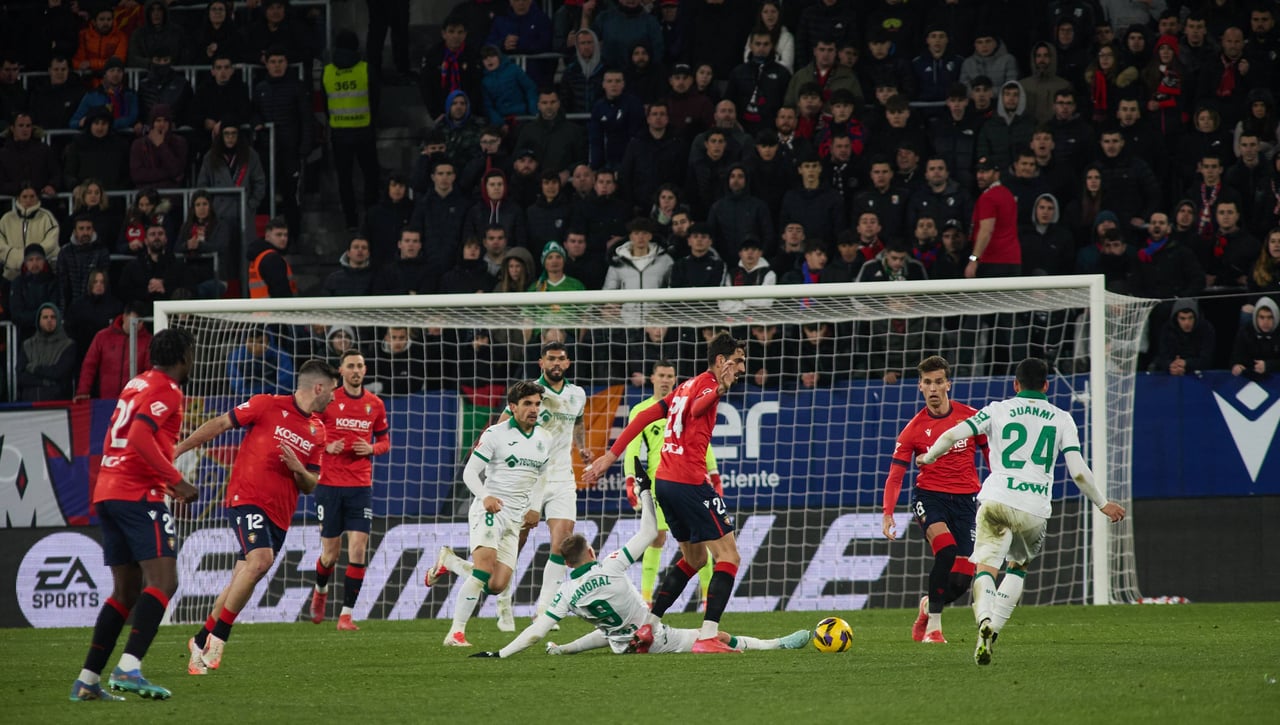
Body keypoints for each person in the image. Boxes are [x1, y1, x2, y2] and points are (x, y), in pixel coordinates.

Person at [466, 465, 808, 658]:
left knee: (613, 632)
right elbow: (647, 532)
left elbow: (537, 632)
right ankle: (775, 644)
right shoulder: (612, 564)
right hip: (654, 639)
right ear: (591, 552)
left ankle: (565, 649)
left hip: (624, 645)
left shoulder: (566, 593)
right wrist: (645, 491)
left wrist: (502, 653)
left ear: (567, 564)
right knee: (718, 636)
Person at [917, 357, 1126, 666]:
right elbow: (1079, 471)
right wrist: (1102, 503)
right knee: (1017, 567)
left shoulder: (997, 409)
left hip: (996, 499)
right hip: (1034, 507)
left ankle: (984, 618)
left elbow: (952, 435)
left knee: (986, 568)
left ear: (1015, 385)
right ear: (1046, 386)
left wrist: (930, 456)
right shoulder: (1062, 418)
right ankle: (991, 631)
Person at [584, 332, 746, 654]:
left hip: (665, 483)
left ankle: (649, 626)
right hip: (689, 481)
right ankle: (708, 635)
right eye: (738, 361)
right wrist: (720, 390)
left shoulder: (684, 386)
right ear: (721, 361)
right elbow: (698, 409)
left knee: (695, 558)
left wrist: (610, 456)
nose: (742, 368)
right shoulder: (708, 386)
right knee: (729, 556)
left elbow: (644, 416)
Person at [177, 359, 339, 674]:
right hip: (246, 498)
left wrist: (299, 469)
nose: (334, 398)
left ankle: (199, 639)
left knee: (243, 577)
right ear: (319, 388)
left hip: (280, 515)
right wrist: (179, 449)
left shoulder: (317, 430)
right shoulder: (266, 404)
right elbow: (220, 424)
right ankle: (218, 638)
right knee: (261, 560)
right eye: (332, 390)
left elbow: (310, 485)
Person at [68, 329, 196, 701]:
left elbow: (129, 440)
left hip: (108, 490)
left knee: (124, 592)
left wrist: (162, 480)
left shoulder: (135, 382)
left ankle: (87, 681)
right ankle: (129, 668)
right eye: (191, 354)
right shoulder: (168, 389)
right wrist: (176, 479)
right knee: (164, 581)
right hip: (136, 494)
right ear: (184, 357)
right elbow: (139, 436)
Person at [882, 356, 988, 644]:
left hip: (966, 502)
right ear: (920, 386)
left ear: (947, 384)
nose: (933, 388)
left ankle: (927, 606)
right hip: (930, 498)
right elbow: (895, 476)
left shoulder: (971, 417)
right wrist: (888, 513)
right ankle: (934, 629)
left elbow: (991, 454)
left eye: (938, 382)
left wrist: (998, 488)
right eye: (927, 382)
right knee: (946, 550)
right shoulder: (913, 429)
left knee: (961, 580)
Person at [435, 381, 551, 646]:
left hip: (516, 517)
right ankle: (456, 632)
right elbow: (469, 472)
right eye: (527, 404)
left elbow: (542, 477)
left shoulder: (545, 438)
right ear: (513, 407)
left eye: (537, 404)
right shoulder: (495, 434)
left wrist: (535, 508)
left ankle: (450, 563)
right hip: (490, 510)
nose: (534, 409)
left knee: (496, 585)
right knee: (484, 568)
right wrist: (485, 496)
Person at [622, 359, 721, 607]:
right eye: (661, 375)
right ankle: (646, 599)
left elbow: (701, 440)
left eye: (669, 376)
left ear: (675, 379)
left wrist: (714, 472)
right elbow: (632, 448)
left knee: (700, 538)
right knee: (656, 537)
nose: (665, 380)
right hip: (659, 482)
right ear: (652, 378)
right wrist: (630, 478)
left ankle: (707, 598)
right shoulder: (641, 410)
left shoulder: (684, 405)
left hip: (688, 478)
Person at [309, 349, 390, 631]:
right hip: (329, 485)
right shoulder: (328, 400)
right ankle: (320, 591)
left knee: (358, 549)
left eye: (360, 366)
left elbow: (385, 442)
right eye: (351, 366)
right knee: (330, 554)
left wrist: (371, 448)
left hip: (360, 486)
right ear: (341, 371)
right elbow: (309, 430)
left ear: (365, 370)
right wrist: (325, 446)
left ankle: (346, 615)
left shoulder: (375, 404)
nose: (356, 370)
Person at [323, 31, 380, 230]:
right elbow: (375, 100)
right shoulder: (365, 69)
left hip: (339, 133)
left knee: (345, 179)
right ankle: (371, 217)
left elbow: (326, 104)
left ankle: (351, 221)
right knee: (371, 176)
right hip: (364, 131)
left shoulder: (327, 72)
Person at [75, 303, 152, 402]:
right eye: (135, 320)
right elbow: (89, 366)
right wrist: (83, 391)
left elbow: (149, 372)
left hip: (134, 401)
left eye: (141, 321)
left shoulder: (148, 341)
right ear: (124, 317)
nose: (138, 325)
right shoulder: (103, 337)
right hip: (107, 400)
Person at [967, 155, 1022, 278]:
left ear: (997, 174)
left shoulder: (988, 197)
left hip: (992, 261)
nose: (980, 176)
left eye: (985, 172)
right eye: (978, 171)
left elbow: (986, 231)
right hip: (1013, 261)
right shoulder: (1008, 194)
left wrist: (974, 259)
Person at [17, 303, 76, 402]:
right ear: (38, 320)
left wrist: (34, 368)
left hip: (58, 404)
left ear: (58, 320)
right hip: (30, 404)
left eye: (53, 317)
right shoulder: (27, 345)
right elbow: (21, 377)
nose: (49, 320)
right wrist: (45, 382)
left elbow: (58, 373)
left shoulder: (68, 345)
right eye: (45, 317)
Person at [246, 217, 297, 298]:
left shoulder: (258, 256)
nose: (283, 238)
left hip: (260, 305)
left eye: (285, 235)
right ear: (267, 236)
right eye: (278, 235)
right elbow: (281, 292)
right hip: (274, 305)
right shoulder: (272, 259)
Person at [1231, 297, 1280, 379]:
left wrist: (1269, 365)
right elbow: (1236, 357)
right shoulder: (1246, 331)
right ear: (1255, 317)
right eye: (1262, 317)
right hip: (1251, 378)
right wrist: (1237, 366)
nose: (1265, 322)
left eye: (1270, 317)